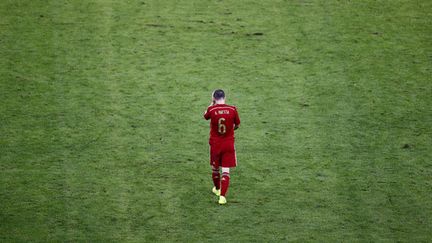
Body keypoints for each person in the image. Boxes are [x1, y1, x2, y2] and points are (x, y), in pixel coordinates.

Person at [203, 89, 240, 205]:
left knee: (215, 168)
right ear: (225, 97)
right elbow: (237, 125)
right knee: (226, 171)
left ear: (214, 98)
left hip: (215, 144)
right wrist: (230, 130)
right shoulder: (232, 109)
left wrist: (211, 103)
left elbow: (205, 116)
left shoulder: (212, 109)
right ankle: (222, 197)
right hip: (228, 144)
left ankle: (217, 189)